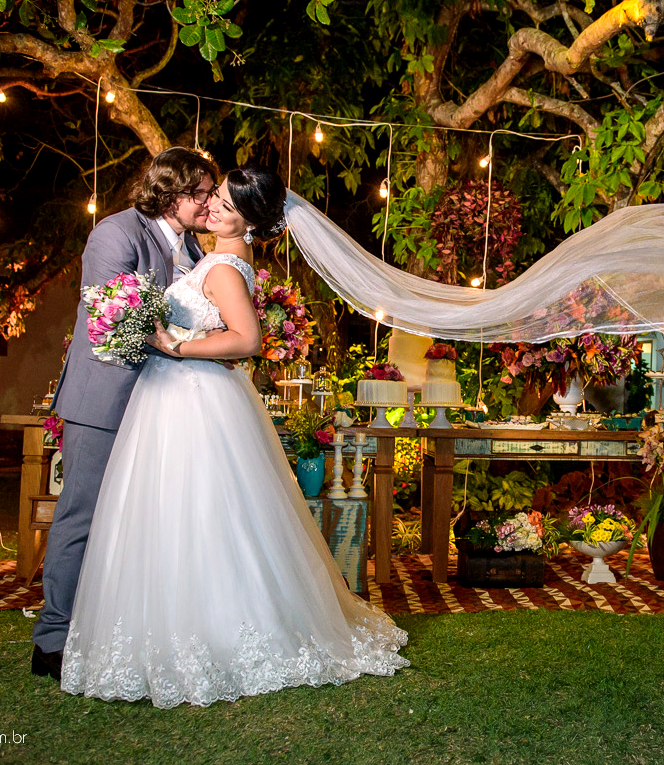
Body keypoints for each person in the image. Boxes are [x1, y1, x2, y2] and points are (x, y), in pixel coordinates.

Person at [60, 168, 409, 708]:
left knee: (199, 513)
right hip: (178, 396)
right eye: (213, 198)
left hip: (189, 395)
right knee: (184, 514)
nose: (212, 208)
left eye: (223, 203)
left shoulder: (223, 265)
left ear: (249, 220)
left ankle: (217, 632)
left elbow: (247, 339)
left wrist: (176, 346)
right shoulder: (214, 257)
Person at [32, 148, 218, 680]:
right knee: (83, 515)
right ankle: (53, 640)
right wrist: (195, 342)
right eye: (201, 193)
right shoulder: (116, 234)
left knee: (149, 518)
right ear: (170, 192)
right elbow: (112, 318)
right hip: (106, 399)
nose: (208, 203)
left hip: (163, 405)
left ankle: (121, 632)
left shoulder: (192, 245)